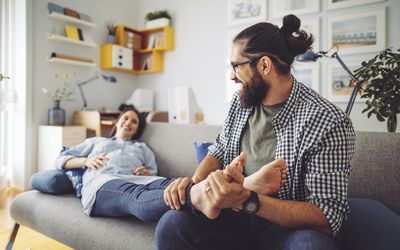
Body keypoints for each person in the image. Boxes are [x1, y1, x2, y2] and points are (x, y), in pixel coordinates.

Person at [158, 14, 355, 250]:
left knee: (312, 246)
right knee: (173, 223)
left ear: (264, 65)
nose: (231, 76)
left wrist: (248, 199)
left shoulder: (328, 121)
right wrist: (199, 184)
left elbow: (327, 217)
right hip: (233, 220)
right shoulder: (240, 102)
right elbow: (219, 150)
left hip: (286, 230)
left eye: (236, 66)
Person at [55, 107, 287, 223]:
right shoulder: (97, 141)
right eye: (125, 118)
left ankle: (236, 190)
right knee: (133, 196)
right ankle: (211, 194)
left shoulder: (142, 148)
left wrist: (146, 171)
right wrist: (86, 161)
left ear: (137, 129)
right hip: (105, 182)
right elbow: (61, 160)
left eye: (134, 122)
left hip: (144, 179)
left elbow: (154, 173)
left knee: (170, 185)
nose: (129, 123)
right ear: (117, 123)